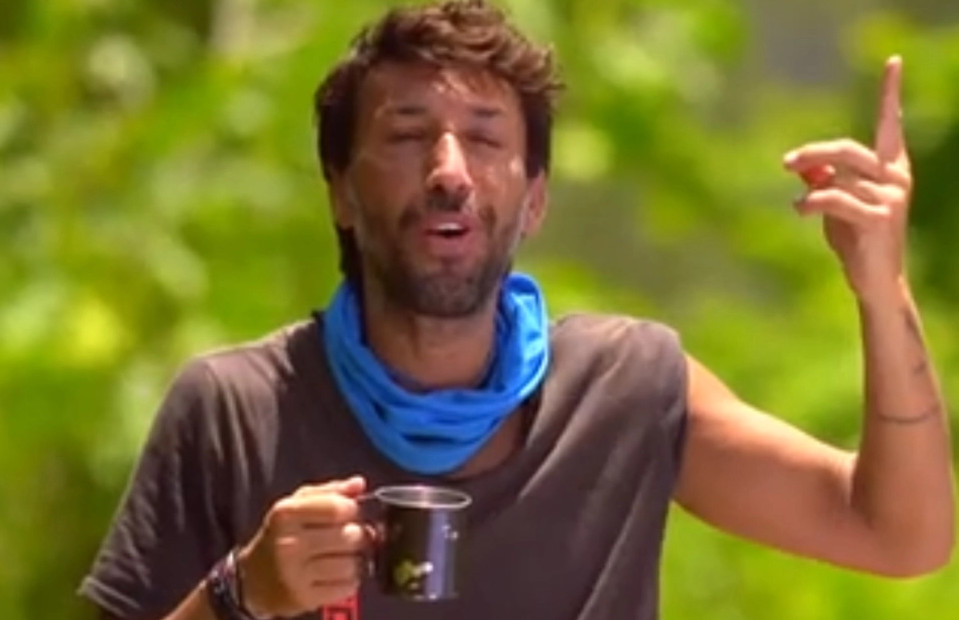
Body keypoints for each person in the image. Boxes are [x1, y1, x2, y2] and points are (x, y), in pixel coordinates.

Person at [78, 1, 955, 619]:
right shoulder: (235, 410)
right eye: (407, 134)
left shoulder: (624, 391)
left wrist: (882, 292)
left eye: (486, 136)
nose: (449, 169)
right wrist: (241, 594)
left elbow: (900, 537)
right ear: (340, 191)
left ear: (534, 198)